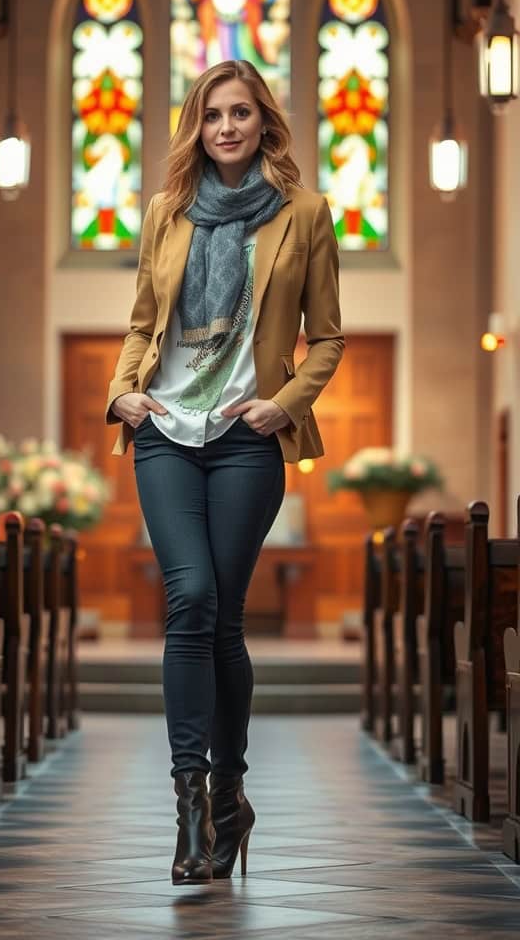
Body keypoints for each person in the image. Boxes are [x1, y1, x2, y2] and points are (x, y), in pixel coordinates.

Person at [105, 59, 345, 886]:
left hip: (249, 436)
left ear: (264, 122)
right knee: (192, 598)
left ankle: (230, 795)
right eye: (213, 116)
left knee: (225, 616)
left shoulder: (305, 215)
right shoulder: (165, 212)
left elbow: (331, 336)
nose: (228, 128)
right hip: (167, 430)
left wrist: (284, 403)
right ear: (197, 127)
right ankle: (189, 806)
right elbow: (143, 323)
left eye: (242, 113)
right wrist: (121, 392)